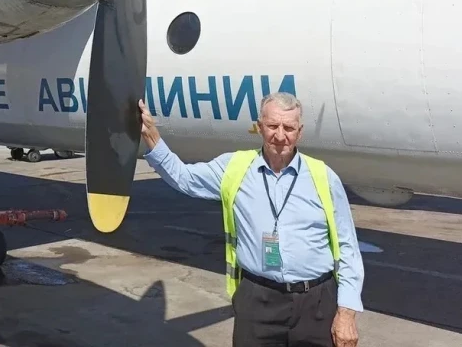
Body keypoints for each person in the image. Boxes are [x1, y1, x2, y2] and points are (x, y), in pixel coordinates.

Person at [139, 92, 363, 347]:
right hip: (258, 302)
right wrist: (151, 136)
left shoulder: (324, 177)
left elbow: (348, 248)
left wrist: (347, 313)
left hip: (316, 304)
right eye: (272, 126)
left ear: (299, 132)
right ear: (259, 127)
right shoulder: (234, 168)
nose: (280, 135)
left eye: (289, 128)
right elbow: (184, 178)